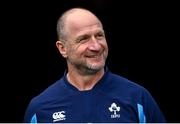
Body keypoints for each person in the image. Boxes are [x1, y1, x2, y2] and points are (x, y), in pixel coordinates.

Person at [24, 7, 166, 123]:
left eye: (99, 35)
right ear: (63, 48)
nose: (96, 46)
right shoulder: (39, 108)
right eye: (83, 39)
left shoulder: (137, 97)